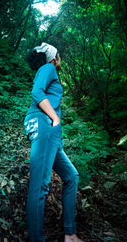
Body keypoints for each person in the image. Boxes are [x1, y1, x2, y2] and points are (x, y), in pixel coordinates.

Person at [24, 42, 83, 242]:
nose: (60, 58)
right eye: (59, 55)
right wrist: (55, 120)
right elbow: (37, 92)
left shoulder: (50, 72)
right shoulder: (47, 68)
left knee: (72, 176)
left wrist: (57, 132)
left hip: (50, 132)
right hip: (44, 125)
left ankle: (70, 234)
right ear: (53, 58)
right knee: (40, 185)